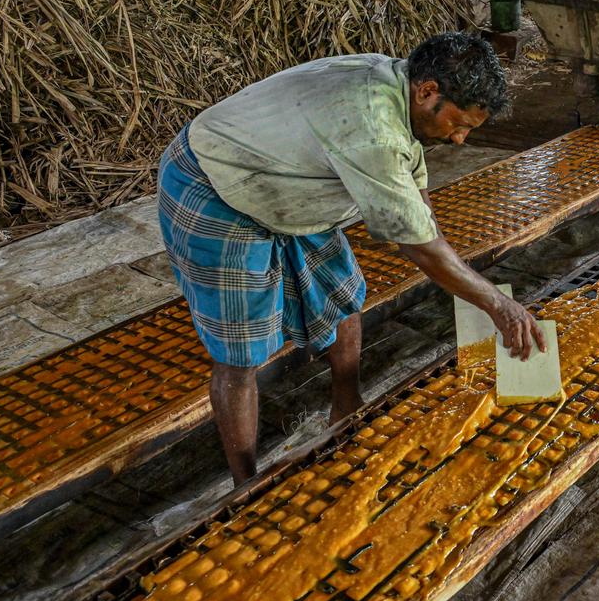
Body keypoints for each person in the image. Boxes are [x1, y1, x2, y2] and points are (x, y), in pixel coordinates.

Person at [157, 33, 547, 485]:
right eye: (459, 125)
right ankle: (245, 485)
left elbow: (419, 212)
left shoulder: (399, 88)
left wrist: (445, 254)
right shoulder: (372, 125)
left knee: (344, 294)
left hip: (285, 179)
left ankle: (346, 407)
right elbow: (418, 246)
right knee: (241, 350)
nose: (460, 140)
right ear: (428, 92)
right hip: (214, 183)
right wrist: (499, 305)